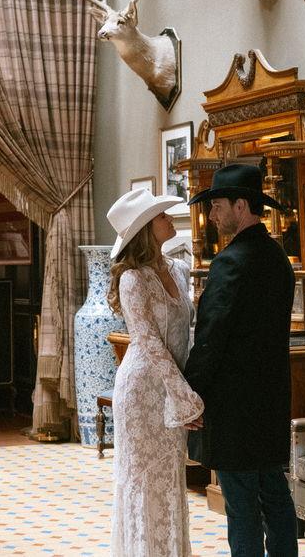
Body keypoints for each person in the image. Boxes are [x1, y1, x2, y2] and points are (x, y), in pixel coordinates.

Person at [184, 163, 298, 557]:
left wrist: (190, 394)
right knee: (276, 497)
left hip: (235, 408)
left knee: (242, 508)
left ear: (241, 206)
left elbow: (211, 337)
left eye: (217, 205)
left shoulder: (231, 261)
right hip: (271, 403)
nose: (212, 214)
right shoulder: (278, 258)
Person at [106, 188, 204, 557]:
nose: (169, 218)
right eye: (161, 215)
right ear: (146, 228)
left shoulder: (178, 269)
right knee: (144, 482)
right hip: (141, 392)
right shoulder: (133, 279)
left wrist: (184, 391)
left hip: (171, 387)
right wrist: (185, 398)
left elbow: (187, 334)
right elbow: (149, 343)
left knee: (170, 482)